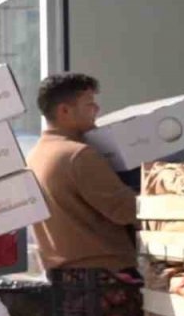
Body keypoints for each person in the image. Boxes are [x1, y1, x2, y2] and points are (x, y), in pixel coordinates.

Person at [27, 72, 138, 272]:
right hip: (106, 276)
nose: (97, 109)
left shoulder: (34, 156)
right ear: (64, 110)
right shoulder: (78, 155)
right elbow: (127, 210)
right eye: (89, 104)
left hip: (64, 277)